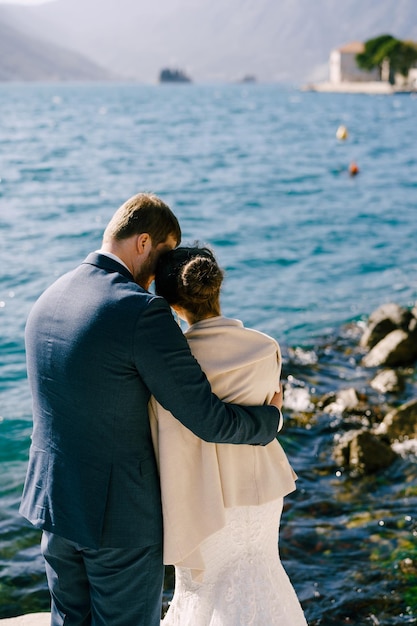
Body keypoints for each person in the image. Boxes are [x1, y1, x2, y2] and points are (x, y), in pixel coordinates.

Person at [19, 193, 282, 626]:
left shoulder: (49, 298)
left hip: (55, 505)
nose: (162, 274)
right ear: (143, 242)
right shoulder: (142, 312)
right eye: (164, 256)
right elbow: (206, 417)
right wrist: (268, 421)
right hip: (118, 519)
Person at [151, 245, 308, 626]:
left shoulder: (174, 364)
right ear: (217, 289)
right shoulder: (265, 347)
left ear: (173, 305)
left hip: (207, 497)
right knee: (264, 575)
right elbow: (271, 407)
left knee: (206, 594)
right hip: (260, 490)